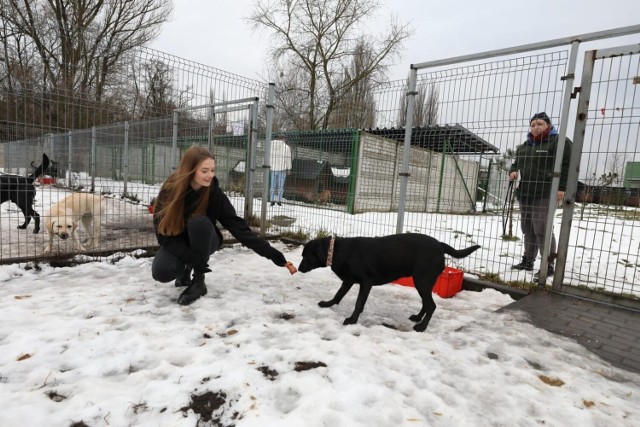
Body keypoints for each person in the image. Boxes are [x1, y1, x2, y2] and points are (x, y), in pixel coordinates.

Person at [152, 146, 289, 305]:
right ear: (190, 170)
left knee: (199, 222)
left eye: (212, 170)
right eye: (204, 171)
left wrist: (270, 252)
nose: (210, 175)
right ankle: (186, 270)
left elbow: (235, 225)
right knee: (162, 271)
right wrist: (189, 256)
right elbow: (162, 234)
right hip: (178, 242)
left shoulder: (213, 192)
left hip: (206, 239)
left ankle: (199, 282)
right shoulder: (171, 190)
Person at [509, 112, 572, 279]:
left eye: (539, 124)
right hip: (526, 193)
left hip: (545, 193)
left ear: (548, 126)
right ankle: (528, 259)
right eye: (533, 124)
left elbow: (567, 165)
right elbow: (516, 163)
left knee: (542, 229)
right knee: (527, 228)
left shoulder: (558, 142)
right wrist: (513, 171)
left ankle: (548, 264)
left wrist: (562, 187)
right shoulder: (525, 146)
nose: (535, 127)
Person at [269, 138, 292, 206]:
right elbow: (288, 158)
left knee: (272, 186)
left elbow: (268, 156)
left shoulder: (270, 145)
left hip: (273, 169)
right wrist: (289, 168)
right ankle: (279, 201)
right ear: (283, 139)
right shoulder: (286, 147)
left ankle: (272, 200)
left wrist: (270, 166)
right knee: (280, 186)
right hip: (282, 169)